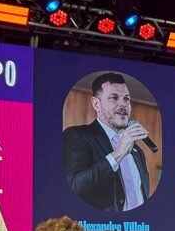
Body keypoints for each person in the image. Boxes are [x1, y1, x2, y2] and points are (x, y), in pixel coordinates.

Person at [63, 72, 151, 212]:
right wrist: (119, 153)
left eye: (126, 99)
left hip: (139, 224)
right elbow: (75, 186)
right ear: (96, 104)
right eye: (114, 98)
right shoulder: (77, 136)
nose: (123, 104)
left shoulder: (137, 151)